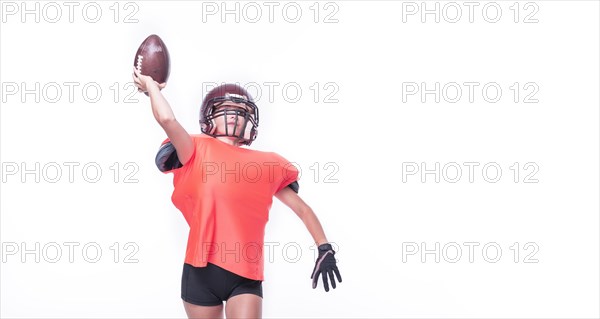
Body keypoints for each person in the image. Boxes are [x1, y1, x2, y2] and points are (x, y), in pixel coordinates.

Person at [132, 68, 342, 319]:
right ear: (209, 116)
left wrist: (324, 247)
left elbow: (303, 209)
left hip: (246, 273)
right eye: (226, 108)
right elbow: (167, 120)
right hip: (200, 270)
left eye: (241, 112)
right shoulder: (194, 149)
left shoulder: (268, 164)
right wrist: (152, 87)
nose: (234, 116)